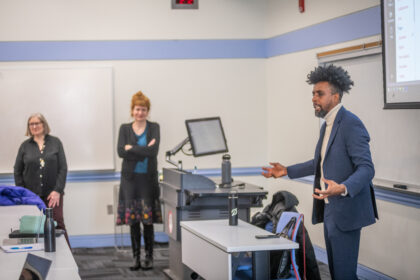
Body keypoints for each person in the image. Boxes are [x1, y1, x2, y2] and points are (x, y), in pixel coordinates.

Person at [262, 65, 378, 280]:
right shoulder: (328, 124)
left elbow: (367, 168)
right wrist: (287, 170)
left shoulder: (350, 124)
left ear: (335, 96)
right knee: (335, 272)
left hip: (346, 210)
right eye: (313, 93)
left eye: (319, 94)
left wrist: (343, 188)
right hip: (331, 209)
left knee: (344, 274)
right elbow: (320, 162)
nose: (314, 98)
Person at [116, 91, 161, 271]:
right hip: (130, 180)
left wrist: (131, 149)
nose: (140, 113)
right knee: (133, 221)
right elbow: (120, 152)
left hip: (148, 180)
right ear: (132, 110)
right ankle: (136, 258)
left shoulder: (154, 127)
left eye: (143, 110)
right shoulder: (124, 129)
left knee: (147, 220)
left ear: (148, 111)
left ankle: (149, 257)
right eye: (137, 109)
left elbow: (154, 152)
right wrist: (143, 149)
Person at [14, 113, 70, 245]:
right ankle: (36, 258)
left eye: (37, 123)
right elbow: (17, 171)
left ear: (43, 124)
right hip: (31, 196)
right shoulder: (24, 146)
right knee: (33, 226)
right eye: (31, 124)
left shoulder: (56, 142)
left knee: (57, 223)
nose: (34, 126)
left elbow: (63, 168)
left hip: (53, 195)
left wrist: (57, 190)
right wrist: (23, 193)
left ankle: (67, 259)